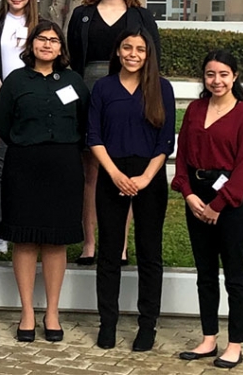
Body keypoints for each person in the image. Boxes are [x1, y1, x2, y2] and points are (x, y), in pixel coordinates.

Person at [0, 20, 88, 343]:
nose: (47, 45)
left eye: (53, 40)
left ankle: (52, 312)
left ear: (61, 48)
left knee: (55, 240)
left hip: (64, 167)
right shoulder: (16, 81)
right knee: (25, 239)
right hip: (24, 166)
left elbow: (85, 122)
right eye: (41, 39)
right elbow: (2, 124)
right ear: (31, 44)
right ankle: (27, 313)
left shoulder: (74, 81)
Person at [68, 0, 161, 266]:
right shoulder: (82, 14)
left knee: (126, 170)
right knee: (90, 173)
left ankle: (119, 245)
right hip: (89, 92)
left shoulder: (141, 16)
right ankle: (90, 243)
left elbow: (153, 61)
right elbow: (72, 60)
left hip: (130, 95)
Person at [88, 27, 175, 351]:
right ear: (118, 51)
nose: (133, 54)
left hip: (149, 176)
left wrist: (145, 177)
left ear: (148, 54)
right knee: (109, 252)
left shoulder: (161, 89)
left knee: (150, 253)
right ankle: (107, 323)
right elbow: (93, 135)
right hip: (112, 174)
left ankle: (147, 325)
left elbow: (166, 139)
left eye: (140, 49)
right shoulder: (103, 88)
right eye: (127, 48)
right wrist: (114, 174)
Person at [173, 50, 243, 369]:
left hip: (229, 202)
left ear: (234, 77)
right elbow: (182, 157)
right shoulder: (195, 109)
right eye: (210, 74)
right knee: (205, 273)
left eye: (223, 74)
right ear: (203, 77)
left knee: (234, 273)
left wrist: (218, 205)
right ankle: (209, 338)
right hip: (196, 196)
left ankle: (235, 343)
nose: (217, 80)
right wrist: (188, 194)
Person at [0, 0, 40, 257]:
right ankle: (1, 230)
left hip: (34, 104)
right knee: (1, 170)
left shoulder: (42, 25)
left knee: (34, 170)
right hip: (3, 102)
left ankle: (31, 226)